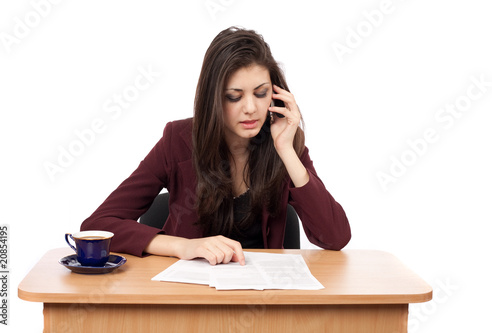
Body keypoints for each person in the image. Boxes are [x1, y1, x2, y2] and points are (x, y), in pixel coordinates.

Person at [81, 26, 351, 266]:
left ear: (276, 93)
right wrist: (181, 246)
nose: (250, 108)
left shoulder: (286, 143)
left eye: (261, 93)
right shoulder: (178, 140)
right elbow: (98, 225)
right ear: (213, 99)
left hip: (262, 303)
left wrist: (287, 151)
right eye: (234, 97)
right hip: (190, 301)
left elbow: (335, 237)